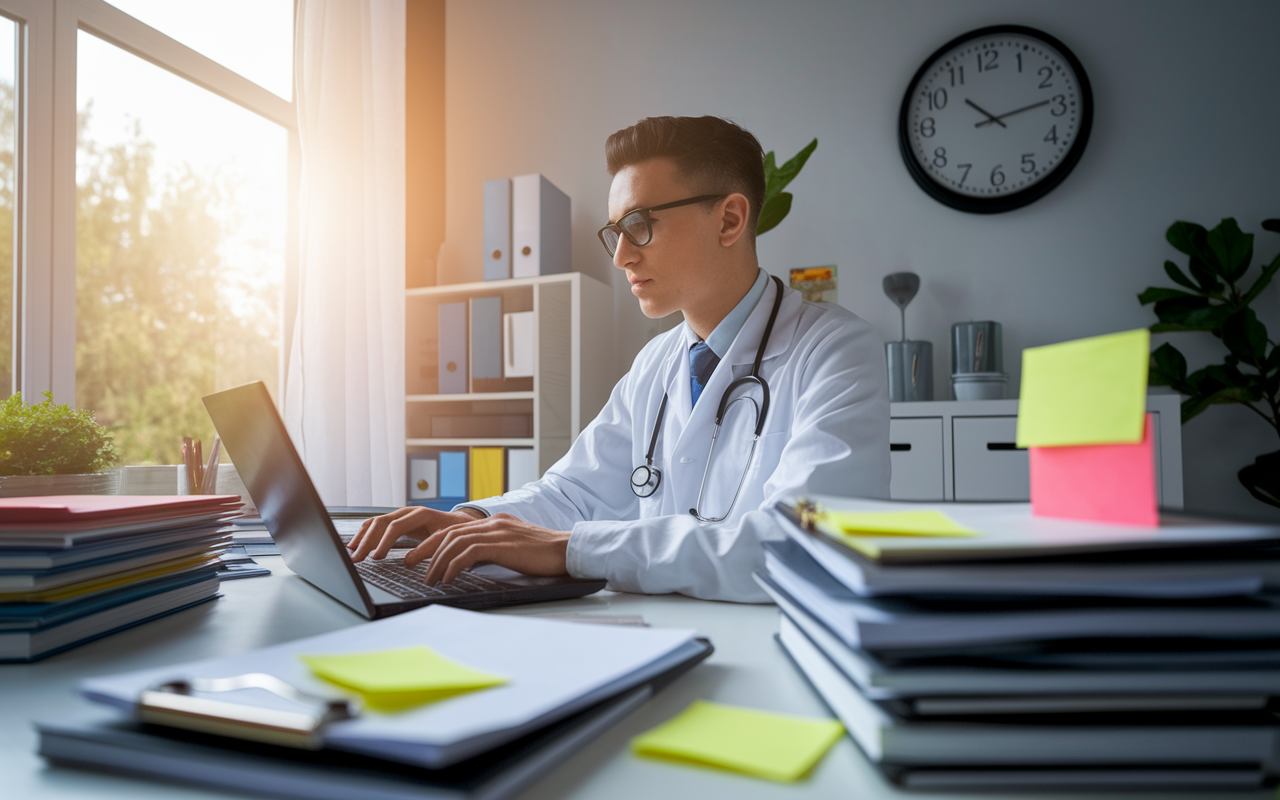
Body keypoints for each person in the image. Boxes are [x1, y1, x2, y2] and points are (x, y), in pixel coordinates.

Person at [349, 115, 889, 602]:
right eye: (615, 233)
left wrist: (572, 550)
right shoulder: (656, 363)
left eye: (639, 226)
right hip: (659, 634)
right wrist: (471, 520)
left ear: (728, 220)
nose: (622, 256)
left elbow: (798, 546)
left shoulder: (835, 352)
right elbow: (574, 491)